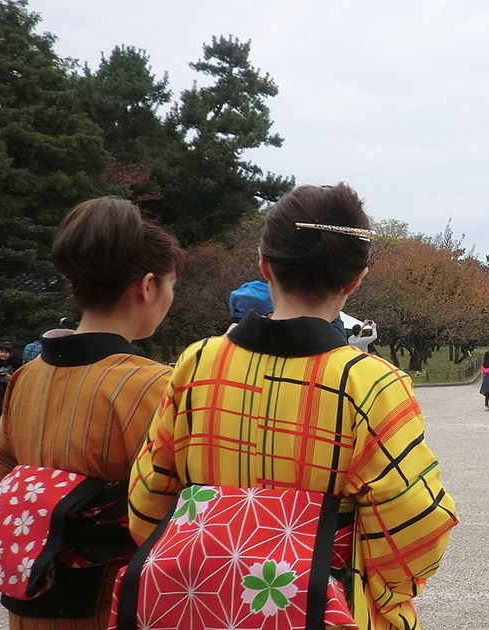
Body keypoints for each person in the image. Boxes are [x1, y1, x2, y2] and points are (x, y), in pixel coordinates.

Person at [127, 184, 458, 630]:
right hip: (327, 605)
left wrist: (210, 567)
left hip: (201, 605)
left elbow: (149, 495)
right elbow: (415, 517)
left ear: (265, 265)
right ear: (357, 277)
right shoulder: (372, 383)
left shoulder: (197, 363)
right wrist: (377, 591)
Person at [0, 196, 184, 629]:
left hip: (33, 594)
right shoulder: (154, 387)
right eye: (171, 285)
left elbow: (3, 485)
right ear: (148, 285)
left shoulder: (24, 378)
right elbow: (183, 511)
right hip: (118, 602)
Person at [0, 343, 22, 421]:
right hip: (0, 384)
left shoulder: (15, 363)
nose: (3, 354)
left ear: (10, 354)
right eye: (1, 352)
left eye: (5, 352)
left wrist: (11, 377)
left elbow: (20, 375)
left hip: (12, 386)